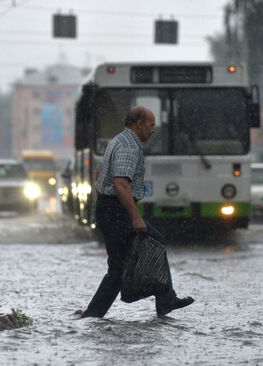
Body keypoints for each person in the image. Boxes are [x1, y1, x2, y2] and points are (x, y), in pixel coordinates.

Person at [81, 105, 194, 318]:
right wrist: (135, 217)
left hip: (110, 208)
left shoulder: (117, 140)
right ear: (139, 124)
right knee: (132, 258)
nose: (153, 131)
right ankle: (93, 315)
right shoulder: (129, 147)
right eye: (151, 125)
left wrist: (104, 203)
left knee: (122, 264)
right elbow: (121, 184)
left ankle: (163, 298)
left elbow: (99, 174)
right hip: (116, 210)